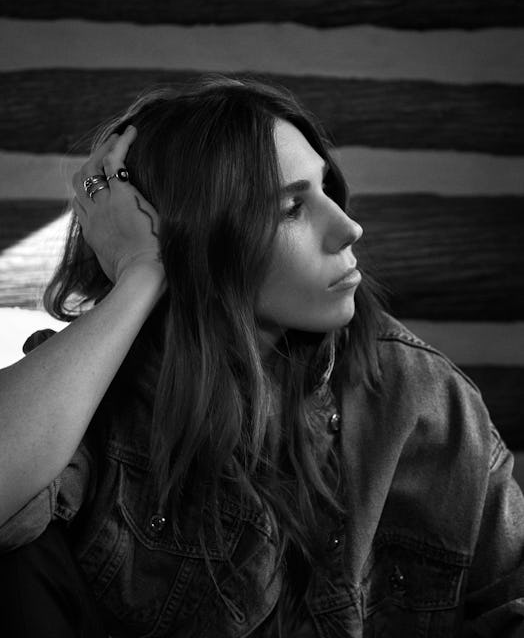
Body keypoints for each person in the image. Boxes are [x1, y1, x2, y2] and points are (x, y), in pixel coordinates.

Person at [0, 76, 523, 638]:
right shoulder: (95, 395)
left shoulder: (423, 400)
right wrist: (144, 271)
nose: (349, 227)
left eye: (326, 189)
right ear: (200, 241)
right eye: (293, 207)